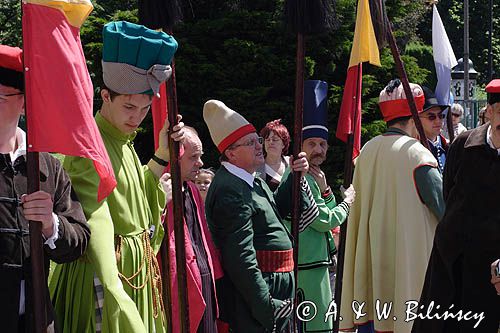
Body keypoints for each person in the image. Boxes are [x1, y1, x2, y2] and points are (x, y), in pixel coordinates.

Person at [49, 21, 184, 333]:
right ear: (105, 96)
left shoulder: (124, 141)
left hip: (134, 276)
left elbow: (131, 197)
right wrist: (114, 292)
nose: (136, 117)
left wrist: (162, 154)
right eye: (128, 106)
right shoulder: (89, 143)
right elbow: (95, 215)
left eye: (145, 109)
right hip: (105, 277)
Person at [203, 99, 318, 332]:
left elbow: (275, 211)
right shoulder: (230, 190)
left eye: (258, 139)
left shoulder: (251, 179)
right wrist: (267, 307)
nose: (260, 145)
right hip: (258, 298)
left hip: (274, 286)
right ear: (231, 154)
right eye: (251, 142)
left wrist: (295, 175)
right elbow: (241, 259)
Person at [340, 79, 444, 333]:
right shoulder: (417, 154)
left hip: (372, 268)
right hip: (410, 272)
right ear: (414, 118)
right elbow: (444, 211)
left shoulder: (367, 151)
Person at [0, 45, 90, 332]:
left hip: (37, 320)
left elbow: (79, 241)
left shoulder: (47, 166)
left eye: (0, 97)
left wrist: (51, 225)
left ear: (24, 103)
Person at [412, 79, 500, 333]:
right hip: (450, 263)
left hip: (490, 272)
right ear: (490, 111)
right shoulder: (463, 145)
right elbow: (448, 192)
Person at [284, 80, 355, 332]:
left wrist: (326, 189)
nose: (318, 149)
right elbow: (325, 220)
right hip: (306, 264)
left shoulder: (316, 176)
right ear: (300, 146)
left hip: (316, 263)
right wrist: (348, 202)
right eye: (312, 144)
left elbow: (325, 211)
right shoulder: (299, 177)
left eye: (322, 144)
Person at [161, 127, 223, 332]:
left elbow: (202, 236)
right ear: (175, 157)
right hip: (181, 289)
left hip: (204, 284)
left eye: (200, 156)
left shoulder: (192, 189)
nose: (201, 163)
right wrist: (160, 203)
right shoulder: (162, 190)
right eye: (193, 157)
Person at [420, 87, 449, 173]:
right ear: (417, 119)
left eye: (441, 116)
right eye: (431, 117)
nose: (438, 121)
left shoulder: (448, 146)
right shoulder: (415, 149)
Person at [259, 119, 290, 191]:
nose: (270, 142)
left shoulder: (291, 164)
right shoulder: (256, 166)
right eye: (267, 140)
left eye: (275, 139)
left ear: (283, 144)